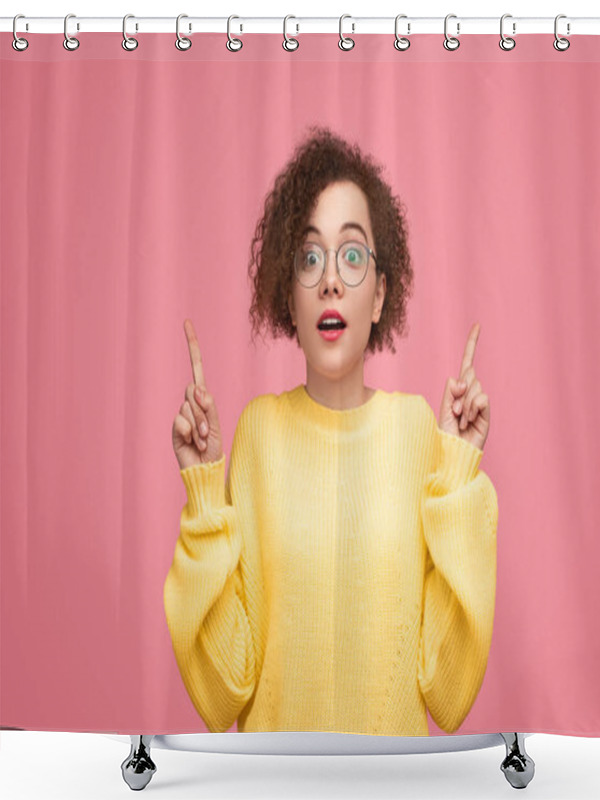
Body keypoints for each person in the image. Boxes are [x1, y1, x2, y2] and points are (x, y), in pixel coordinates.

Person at [164, 126, 498, 735]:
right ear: (289, 301)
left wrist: (457, 473)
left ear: (378, 297)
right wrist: (205, 492)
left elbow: (448, 694)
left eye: (352, 254)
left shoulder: (417, 429)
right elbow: (221, 694)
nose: (330, 281)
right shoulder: (258, 433)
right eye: (309, 257)